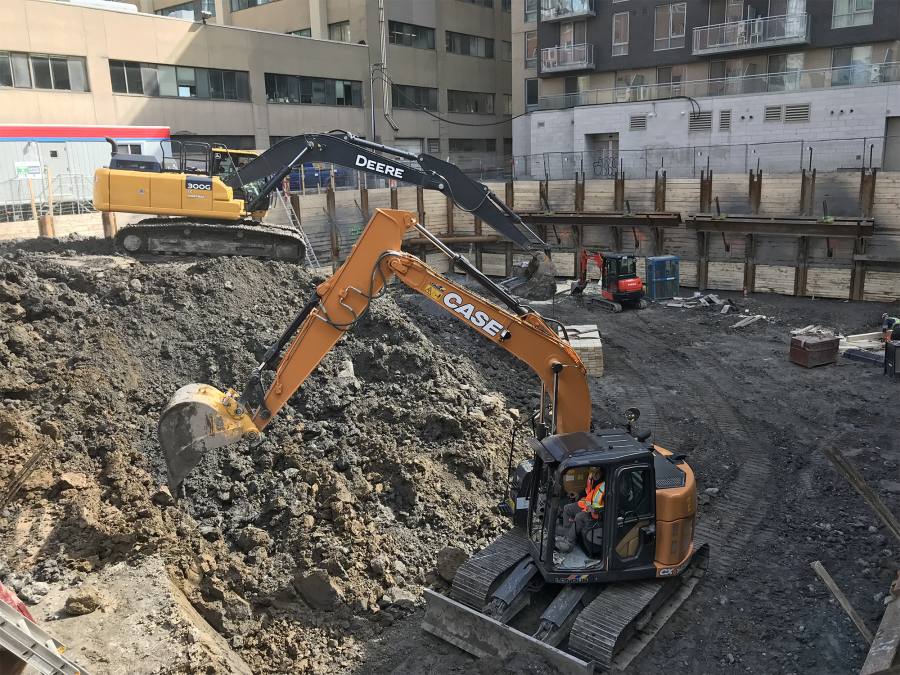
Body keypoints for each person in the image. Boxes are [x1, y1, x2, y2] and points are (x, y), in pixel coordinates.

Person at [558, 469, 605, 552]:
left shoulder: (607, 485)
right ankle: (567, 534)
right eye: (593, 470)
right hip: (586, 506)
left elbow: (612, 507)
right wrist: (578, 495)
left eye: (596, 471)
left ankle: (569, 544)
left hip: (597, 514)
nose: (594, 473)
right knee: (567, 508)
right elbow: (587, 491)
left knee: (579, 516)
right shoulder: (591, 477)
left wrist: (596, 511)